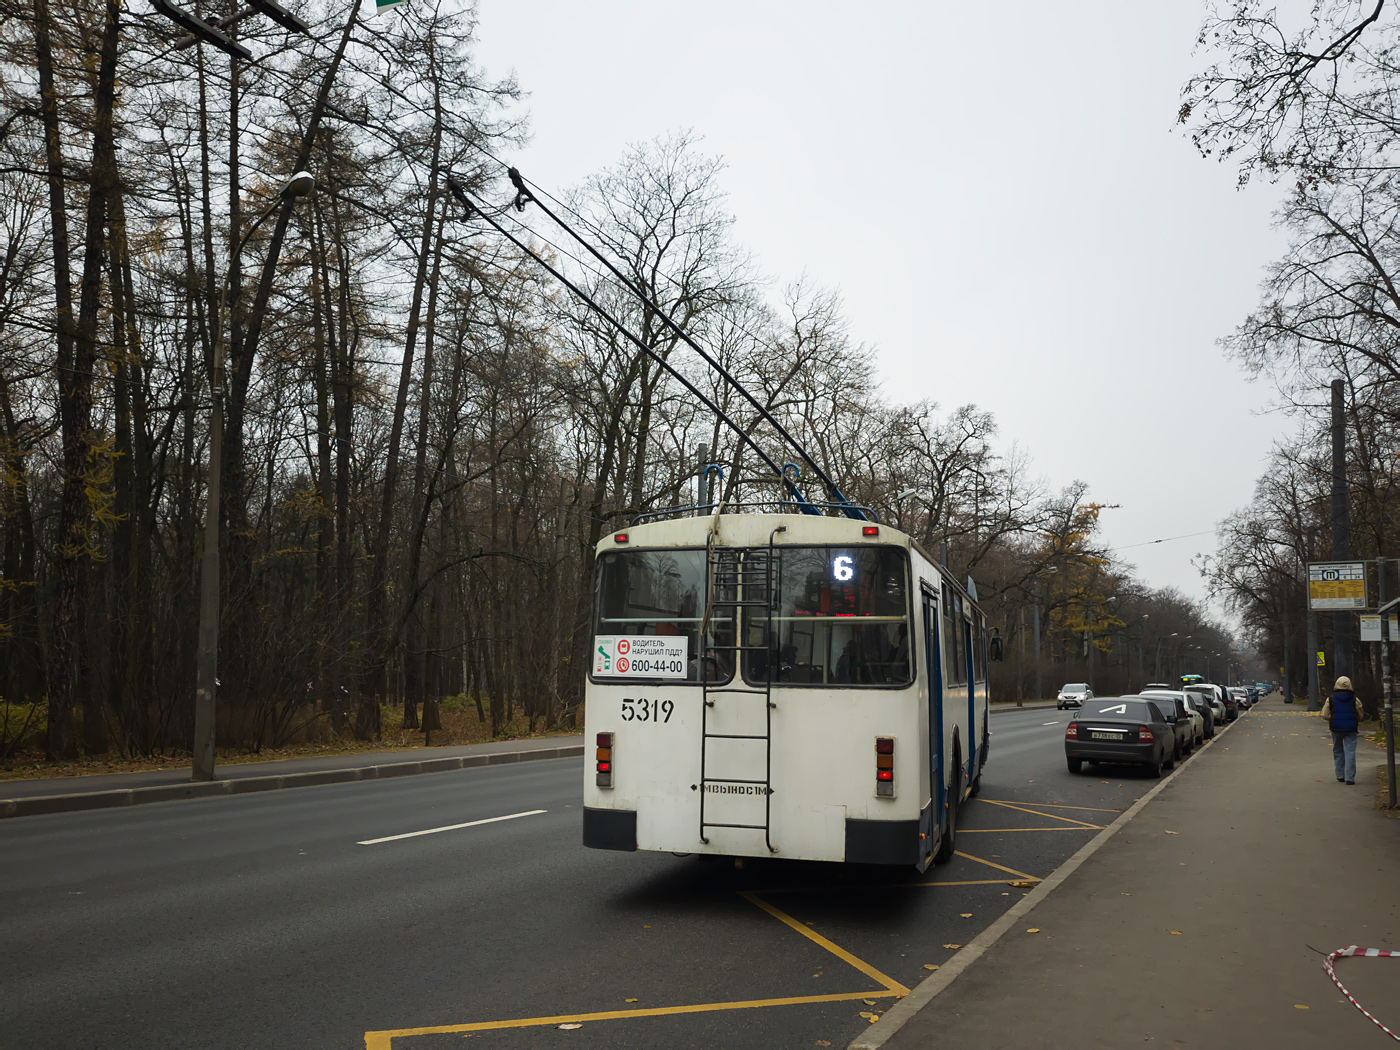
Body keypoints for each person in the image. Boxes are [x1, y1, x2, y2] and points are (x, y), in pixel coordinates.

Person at [1321, 675, 1361, 785]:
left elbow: (1324, 714)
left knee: (1338, 751)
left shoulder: (1331, 699)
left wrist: (1333, 718)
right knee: (1350, 752)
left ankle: (1340, 775)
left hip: (1336, 728)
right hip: (1351, 728)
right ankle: (1350, 777)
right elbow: (1360, 713)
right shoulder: (1354, 699)